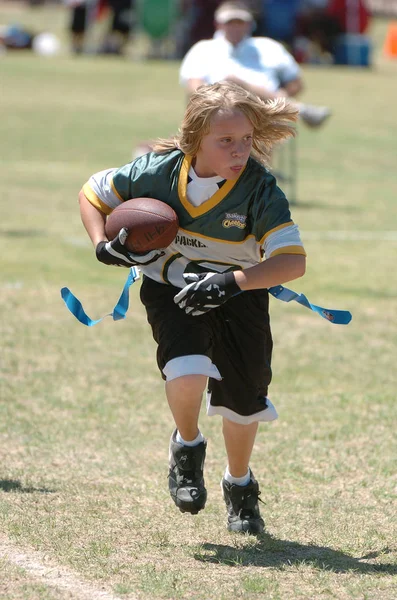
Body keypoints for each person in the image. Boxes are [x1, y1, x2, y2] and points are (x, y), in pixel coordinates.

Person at [78, 81, 306, 534]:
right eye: (226, 141)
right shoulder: (156, 172)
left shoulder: (259, 189)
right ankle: (187, 446)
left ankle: (239, 485)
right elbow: (92, 193)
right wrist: (102, 244)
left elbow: (292, 262)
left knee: (243, 403)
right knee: (187, 368)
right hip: (171, 287)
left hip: (240, 296)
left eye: (245, 140)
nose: (240, 151)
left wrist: (232, 282)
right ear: (194, 139)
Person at [179, 1, 330, 128]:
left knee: (259, 119)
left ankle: (284, 106)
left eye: (240, 22)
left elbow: (296, 82)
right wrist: (225, 98)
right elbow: (195, 87)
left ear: (249, 24)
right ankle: (297, 109)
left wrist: (283, 95)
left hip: (265, 116)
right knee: (232, 82)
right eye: (230, 23)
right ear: (218, 24)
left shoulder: (268, 47)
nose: (235, 27)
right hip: (219, 112)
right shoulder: (203, 48)